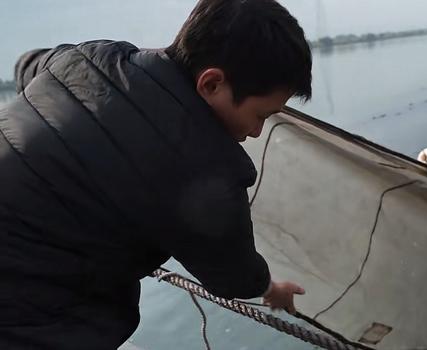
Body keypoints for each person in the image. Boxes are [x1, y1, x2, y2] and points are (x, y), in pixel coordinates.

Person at [0, 0, 312, 348]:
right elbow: (235, 277)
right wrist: (273, 289)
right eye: (260, 115)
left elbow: (25, 64)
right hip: (27, 322)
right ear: (211, 84)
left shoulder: (89, 59)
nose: (256, 132)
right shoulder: (208, 171)